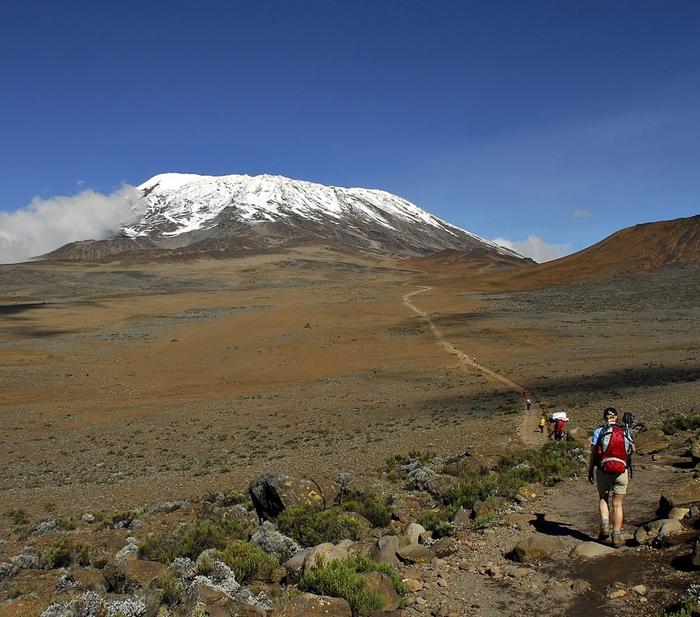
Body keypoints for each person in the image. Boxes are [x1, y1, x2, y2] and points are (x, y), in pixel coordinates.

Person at [587, 407, 635, 548]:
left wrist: (590, 471)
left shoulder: (599, 431)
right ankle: (616, 536)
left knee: (603, 498)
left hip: (603, 471)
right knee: (618, 504)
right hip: (621, 472)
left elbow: (593, 454)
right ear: (617, 416)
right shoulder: (625, 430)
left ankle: (604, 528)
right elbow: (633, 449)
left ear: (604, 417)